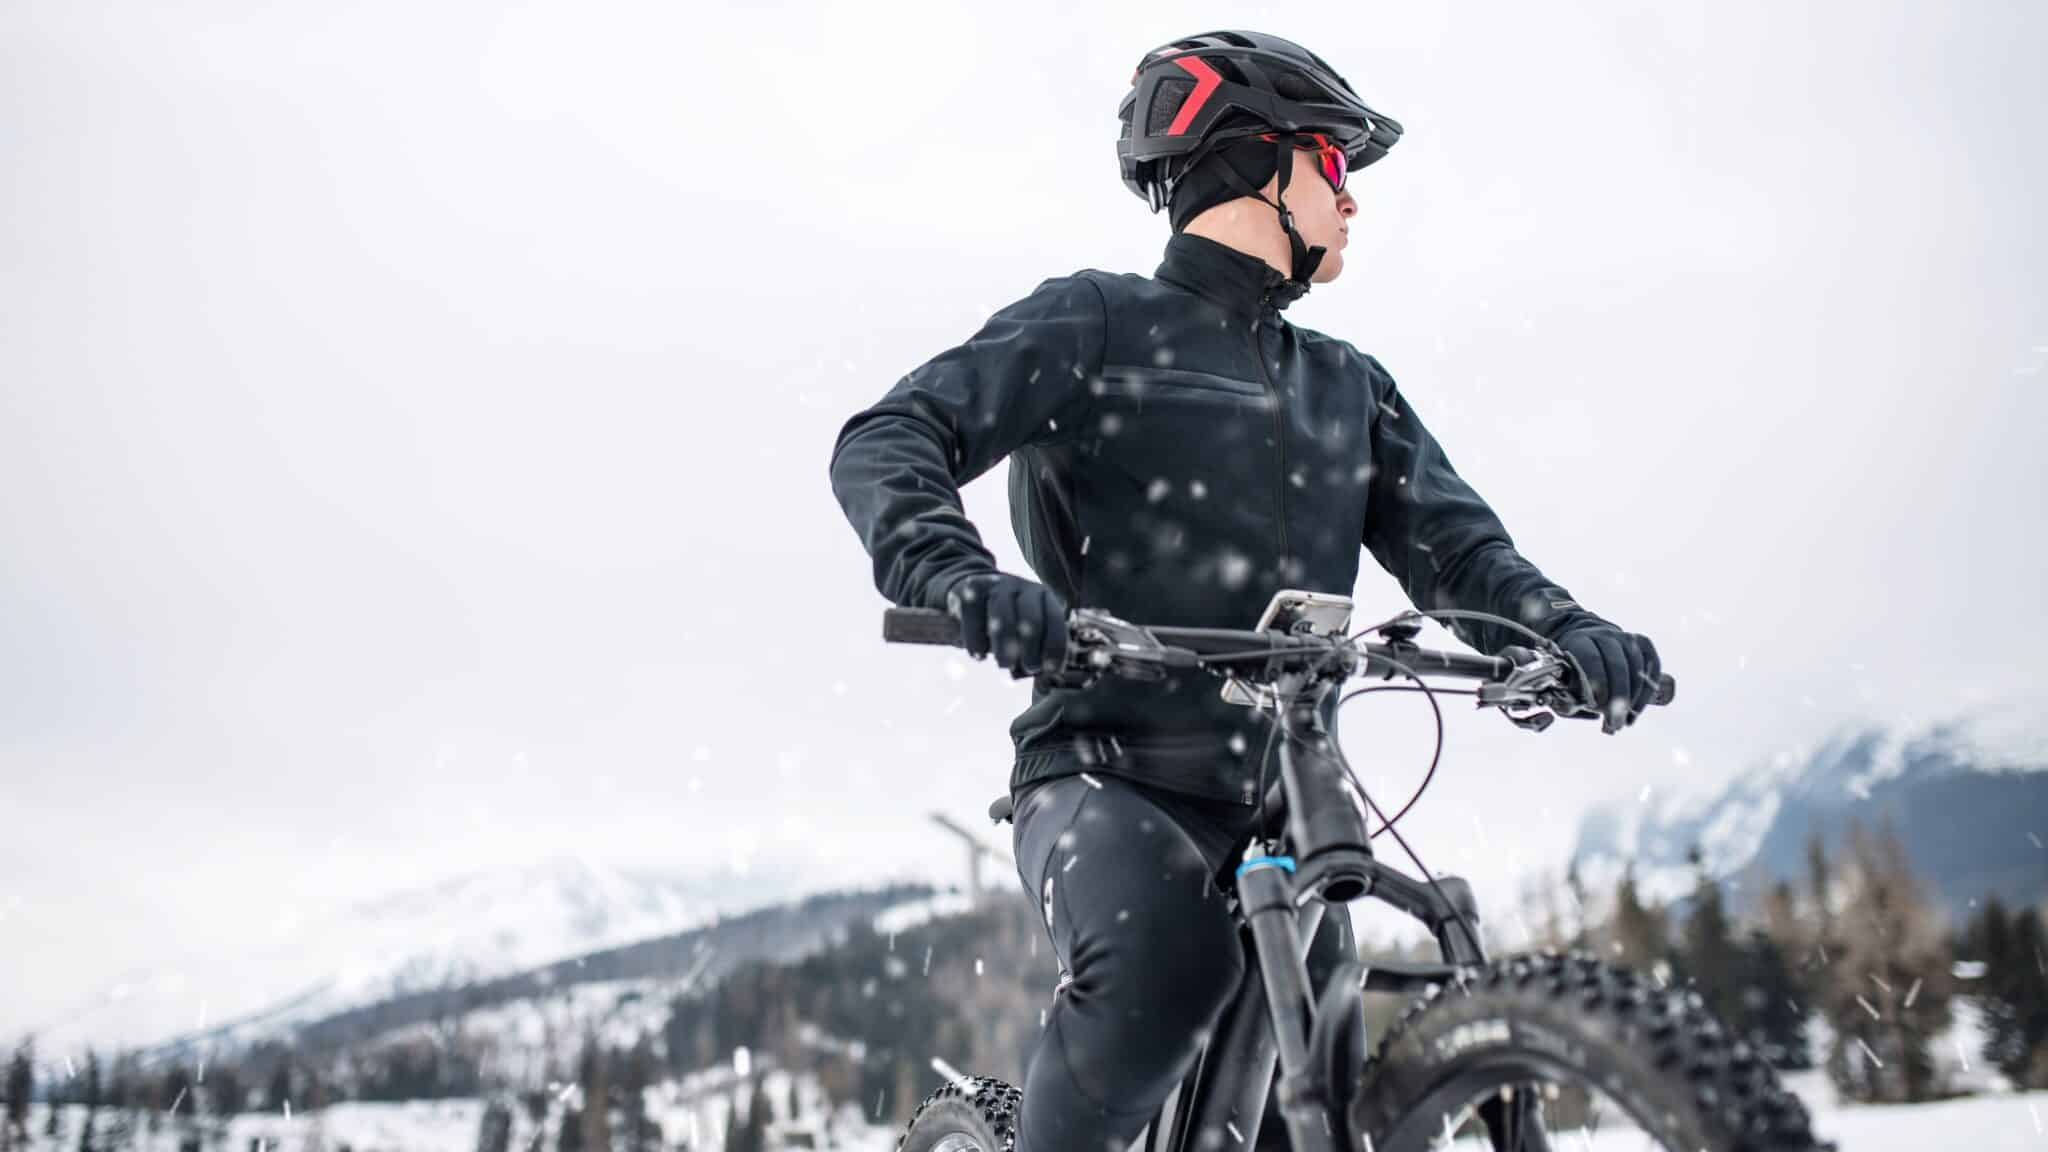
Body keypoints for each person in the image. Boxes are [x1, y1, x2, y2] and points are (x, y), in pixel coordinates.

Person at [828, 29, 1663, 1152]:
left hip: (1285, 803)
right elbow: (892, 437)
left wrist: (1562, 629)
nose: (1351, 200)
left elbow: (1460, 554)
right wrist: (956, 575)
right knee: (1165, 971)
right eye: (1334, 164)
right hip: (1105, 775)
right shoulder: (1096, 321)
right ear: (1254, 161)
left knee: (1319, 1071)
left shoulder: (1347, 386)